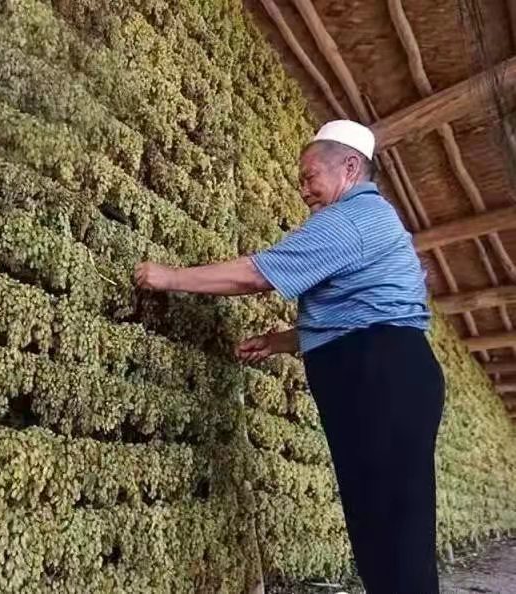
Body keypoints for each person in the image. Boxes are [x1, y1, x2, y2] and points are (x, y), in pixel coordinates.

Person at [134, 120, 445, 593]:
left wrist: (170, 277)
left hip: (382, 374)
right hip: (389, 370)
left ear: (349, 167)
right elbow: (362, 310)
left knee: (390, 525)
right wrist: (282, 341)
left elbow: (258, 274)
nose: (303, 190)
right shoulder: (376, 220)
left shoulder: (352, 218)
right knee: (382, 521)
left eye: (309, 176)